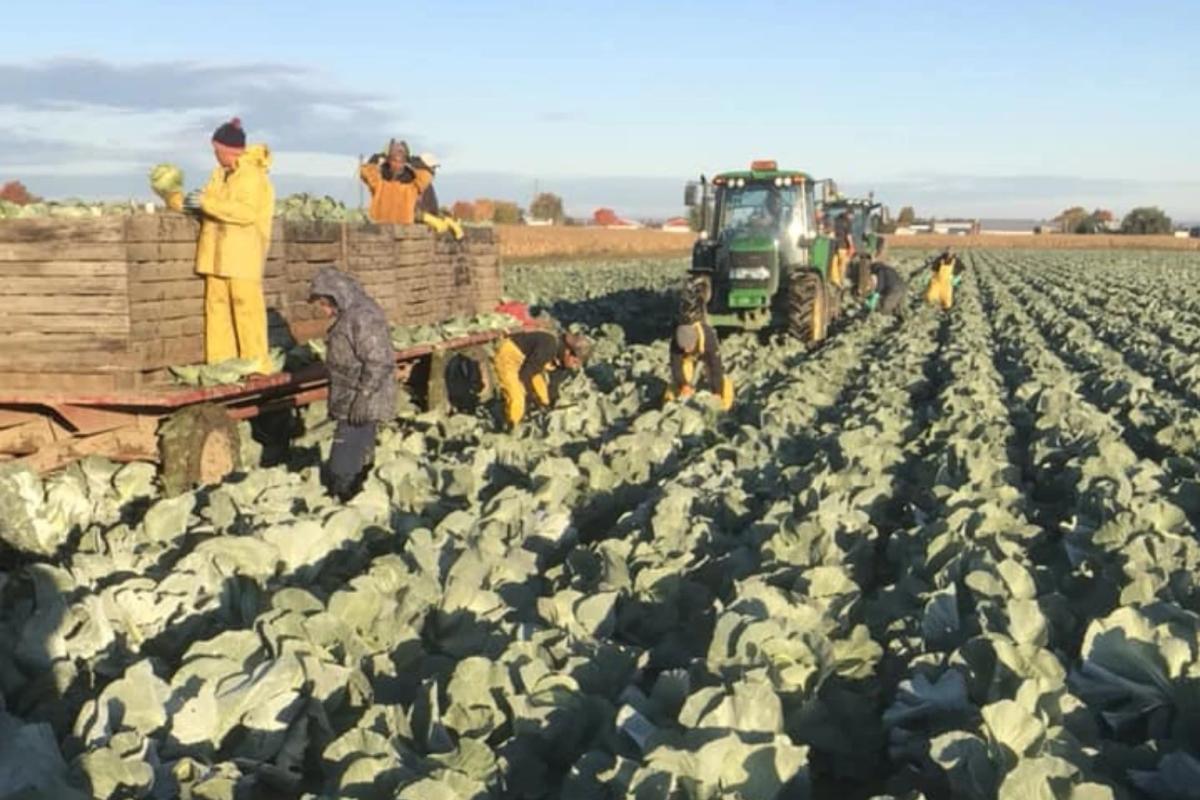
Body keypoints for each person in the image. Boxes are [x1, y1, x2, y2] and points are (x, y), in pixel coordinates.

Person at [183, 118, 275, 374]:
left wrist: (206, 203)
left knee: (247, 313)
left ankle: (256, 365)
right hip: (215, 257)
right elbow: (210, 203)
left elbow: (246, 212)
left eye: (216, 150)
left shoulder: (252, 176)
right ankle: (222, 365)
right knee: (217, 313)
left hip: (242, 258)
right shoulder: (219, 175)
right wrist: (188, 202)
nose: (215, 155)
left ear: (227, 150)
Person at [308, 267, 397, 501]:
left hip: (361, 398)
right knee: (358, 453)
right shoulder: (349, 314)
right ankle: (356, 494)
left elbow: (379, 359)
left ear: (335, 296)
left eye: (323, 304)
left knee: (344, 461)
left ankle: (345, 497)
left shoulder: (362, 316)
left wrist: (364, 395)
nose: (323, 310)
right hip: (351, 396)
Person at [492, 330, 590, 428]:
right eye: (575, 362)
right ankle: (510, 425)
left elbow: (553, 384)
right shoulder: (548, 346)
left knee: (543, 395)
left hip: (528, 362)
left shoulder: (562, 360)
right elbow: (525, 376)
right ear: (568, 352)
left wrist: (552, 402)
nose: (574, 366)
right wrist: (533, 396)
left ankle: (534, 412)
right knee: (517, 397)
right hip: (509, 356)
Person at [359, 139, 433, 224]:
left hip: (404, 229)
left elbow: (425, 177)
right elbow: (366, 173)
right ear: (388, 160)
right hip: (380, 228)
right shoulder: (379, 183)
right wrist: (374, 159)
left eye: (401, 161)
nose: (397, 164)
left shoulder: (411, 185)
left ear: (405, 162)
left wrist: (415, 162)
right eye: (394, 160)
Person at [665, 322, 733, 411]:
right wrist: (683, 384)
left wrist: (717, 392)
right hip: (687, 357)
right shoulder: (677, 341)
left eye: (688, 347)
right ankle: (670, 405)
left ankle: (724, 409)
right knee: (678, 381)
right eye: (684, 348)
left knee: (723, 381)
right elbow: (676, 367)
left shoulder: (709, 338)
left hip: (706, 351)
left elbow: (716, 368)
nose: (686, 350)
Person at [411, 153, 464, 240]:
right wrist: (425, 218)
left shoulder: (428, 186)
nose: (434, 172)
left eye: (435, 168)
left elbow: (432, 210)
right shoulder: (410, 182)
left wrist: (446, 219)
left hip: (424, 236)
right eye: (433, 168)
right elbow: (405, 211)